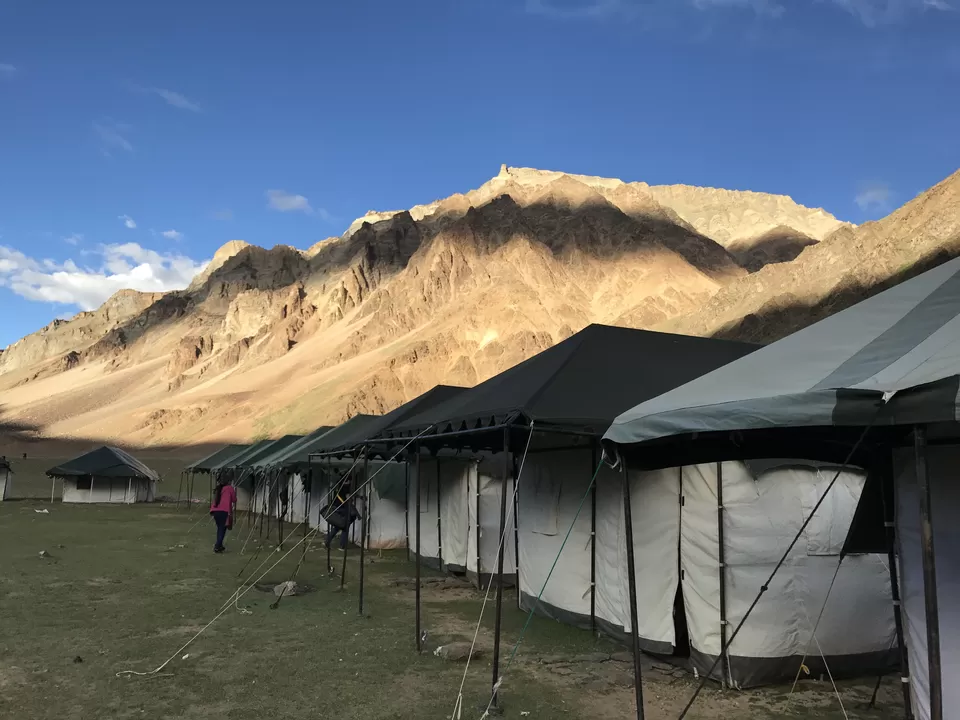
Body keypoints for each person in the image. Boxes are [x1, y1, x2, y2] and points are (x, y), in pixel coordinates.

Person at [323, 485, 360, 550]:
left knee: (337, 527)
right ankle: (342, 546)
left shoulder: (338, 489)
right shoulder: (344, 488)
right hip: (343, 511)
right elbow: (348, 498)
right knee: (345, 528)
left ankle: (327, 542)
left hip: (338, 510)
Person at [210, 477, 237, 554]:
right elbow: (234, 500)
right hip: (224, 511)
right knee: (222, 528)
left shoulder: (219, 488)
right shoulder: (229, 488)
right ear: (228, 482)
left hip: (215, 511)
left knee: (220, 528)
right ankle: (217, 546)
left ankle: (220, 545)